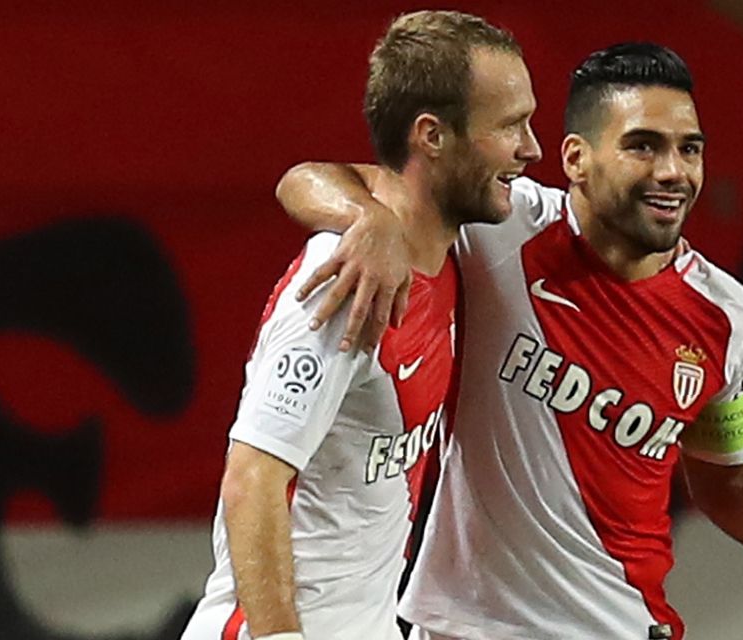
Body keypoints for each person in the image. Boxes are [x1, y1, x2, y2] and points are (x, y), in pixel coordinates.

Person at [277, 43, 743, 640]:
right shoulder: (499, 227)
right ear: (575, 159)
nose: (673, 171)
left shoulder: (725, 317)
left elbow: (734, 483)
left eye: (690, 149)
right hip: (466, 628)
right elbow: (306, 178)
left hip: (622, 626)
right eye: (643, 146)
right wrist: (367, 219)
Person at [181, 11, 540, 640]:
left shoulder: (448, 254)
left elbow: (309, 176)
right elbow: (252, 479)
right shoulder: (344, 277)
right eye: (510, 125)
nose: (531, 148)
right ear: (432, 136)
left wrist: (363, 213)